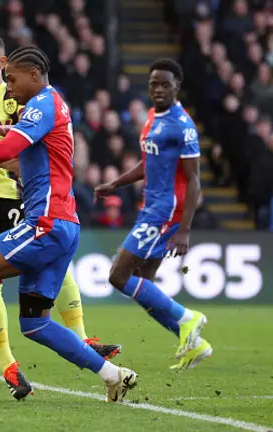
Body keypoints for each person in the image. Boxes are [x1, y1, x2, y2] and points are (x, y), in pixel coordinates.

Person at [0, 46, 137, 403]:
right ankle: (113, 376)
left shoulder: (41, 104)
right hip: (65, 224)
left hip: (44, 223)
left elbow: (5, 152)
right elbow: (33, 147)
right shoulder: (52, 104)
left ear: (34, 75)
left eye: (13, 79)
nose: (9, 88)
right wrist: (5, 127)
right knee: (35, 324)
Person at [94, 59, 212, 371]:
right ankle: (193, 341)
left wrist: (184, 230)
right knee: (144, 285)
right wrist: (117, 184)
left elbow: (195, 180)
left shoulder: (182, 126)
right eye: (153, 84)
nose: (158, 89)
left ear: (177, 87)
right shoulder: (152, 117)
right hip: (152, 207)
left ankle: (189, 318)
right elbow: (149, 163)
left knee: (118, 276)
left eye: (165, 84)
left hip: (166, 211)